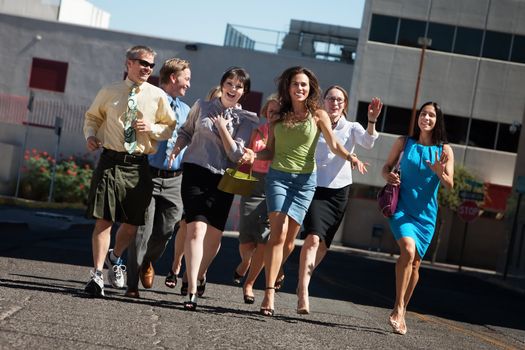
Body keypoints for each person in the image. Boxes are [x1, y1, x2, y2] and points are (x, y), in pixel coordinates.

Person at [256, 66, 361, 316]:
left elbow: (334, 144)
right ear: (288, 87)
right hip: (279, 178)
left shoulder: (318, 115)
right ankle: (269, 293)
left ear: (310, 87)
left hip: (305, 182)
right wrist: (252, 154)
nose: (300, 88)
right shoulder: (278, 116)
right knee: (278, 234)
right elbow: (269, 151)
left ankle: (277, 270)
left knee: (290, 241)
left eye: (304, 84)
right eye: (295, 84)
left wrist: (350, 156)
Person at [83, 45, 176, 297]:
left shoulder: (157, 96)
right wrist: (91, 135)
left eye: (150, 65)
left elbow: (169, 127)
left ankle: (115, 257)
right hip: (110, 161)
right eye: (142, 63)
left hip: (138, 164)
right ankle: (97, 276)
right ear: (129, 64)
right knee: (104, 220)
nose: (147, 68)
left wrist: (152, 128)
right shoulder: (109, 91)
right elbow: (92, 117)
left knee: (132, 224)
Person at [169, 67, 258, 310]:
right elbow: (186, 130)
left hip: (223, 179)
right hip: (196, 172)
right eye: (229, 83)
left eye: (239, 86)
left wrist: (222, 127)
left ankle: (195, 275)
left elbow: (237, 154)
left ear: (244, 92)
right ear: (222, 85)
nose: (233, 89)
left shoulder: (247, 119)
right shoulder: (202, 106)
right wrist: (177, 148)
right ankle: (192, 292)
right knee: (195, 228)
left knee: (214, 236)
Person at [296, 86, 382, 314]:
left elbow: (368, 142)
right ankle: (303, 290)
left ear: (345, 104)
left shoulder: (351, 127)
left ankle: (305, 275)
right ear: (323, 101)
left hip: (339, 191)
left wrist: (371, 120)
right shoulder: (314, 121)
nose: (335, 103)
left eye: (339, 100)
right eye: (331, 98)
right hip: (314, 186)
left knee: (323, 245)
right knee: (313, 239)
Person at [382, 101, 454, 335]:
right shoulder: (404, 143)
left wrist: (439, 172)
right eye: (423, 114)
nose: (426, 118)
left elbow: (449, 184)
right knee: (408, 251)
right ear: (418, 118)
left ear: (437, 120)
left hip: (426, 215)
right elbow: (386, 167)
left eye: (431, 115)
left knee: (415, 264)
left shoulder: (444, 150)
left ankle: (401, 308)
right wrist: (389, 175)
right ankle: (397, 307)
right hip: (402, 208)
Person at [124, 58, 191, 298]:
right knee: (142, 230)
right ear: (174, 78)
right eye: (187, 79)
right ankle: (132, 284)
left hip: (176, 179)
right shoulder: (148, 100)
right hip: (148, 174)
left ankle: (148, 261)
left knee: (165, 231)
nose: (188, 85)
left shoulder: (186, 110)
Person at [233, 94, 279, 304]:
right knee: (246, 235)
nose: (273, 115)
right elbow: (246, 157)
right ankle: (245, 262)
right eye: (270, 111)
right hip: (253, 183)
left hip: (275, 184)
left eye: (278, 112)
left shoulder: (285, 133)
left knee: (265, 239)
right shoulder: (257, 131)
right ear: (265, 113)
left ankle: (249, 283)